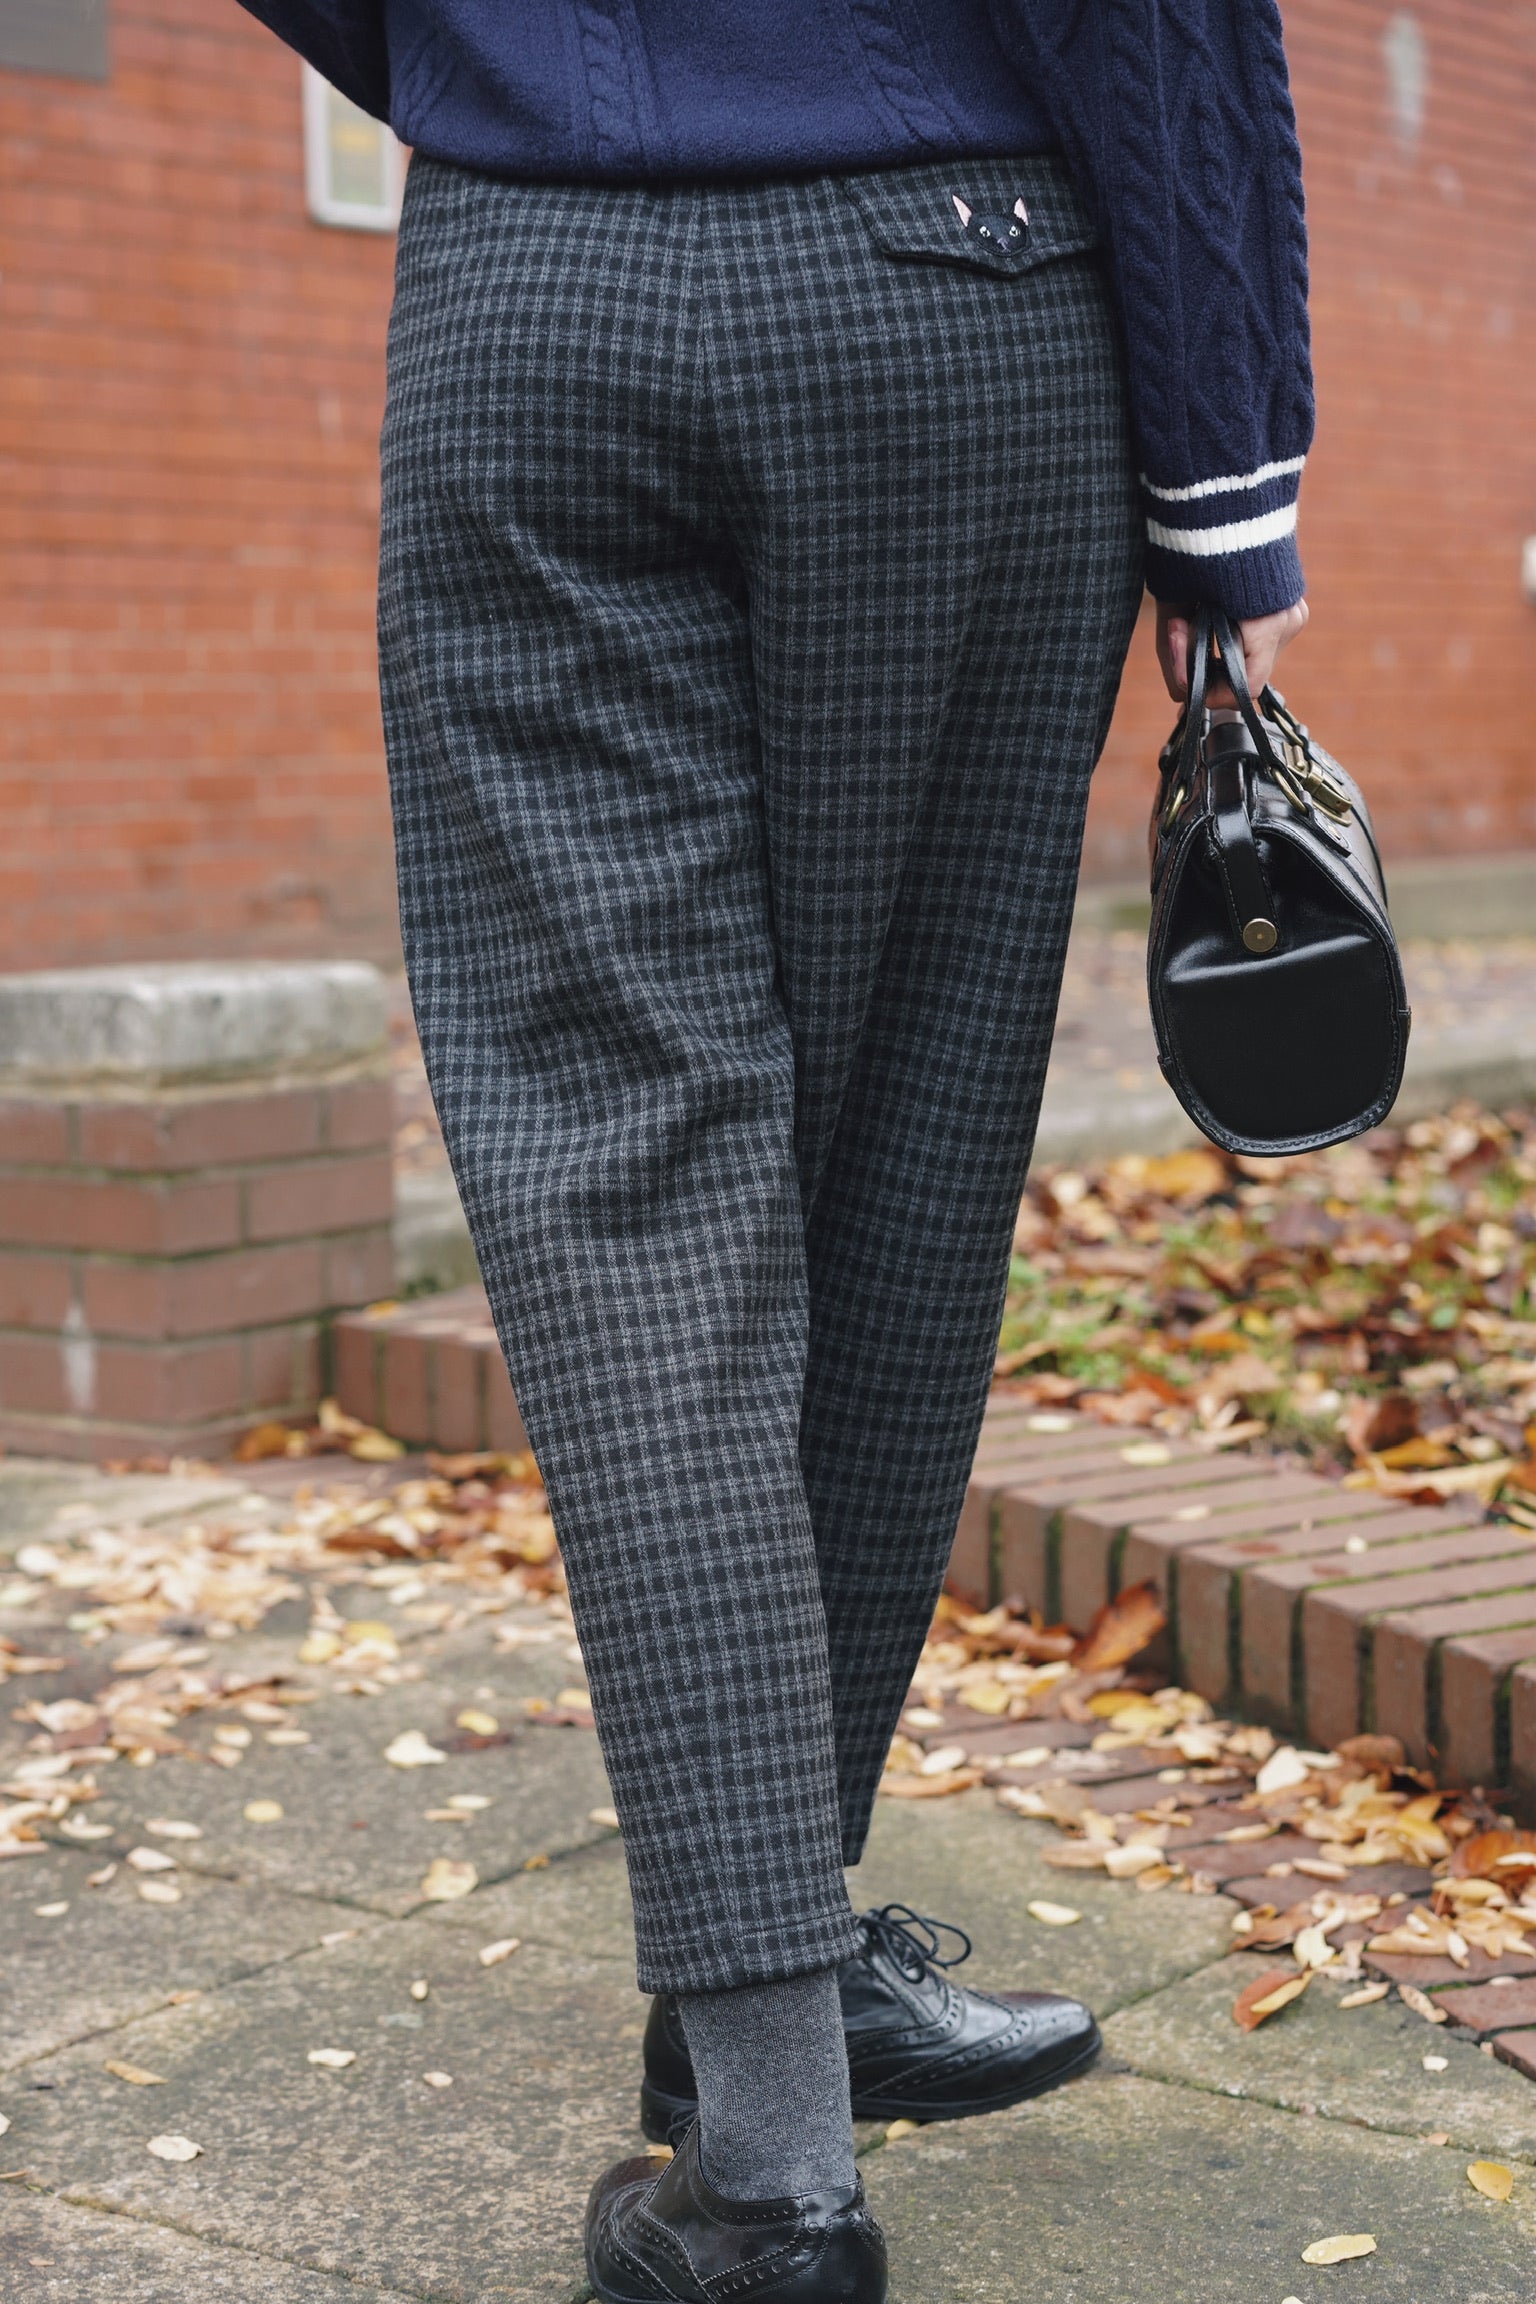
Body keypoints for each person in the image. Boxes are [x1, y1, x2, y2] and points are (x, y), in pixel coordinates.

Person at [235, 2, 1313, 2294]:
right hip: (955, 286)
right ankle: (773, 2142)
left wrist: (499, 60)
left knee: (644, 1188)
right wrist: (1228, 478)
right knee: (905, 1154)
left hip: (542, 283)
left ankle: (768, 2078)